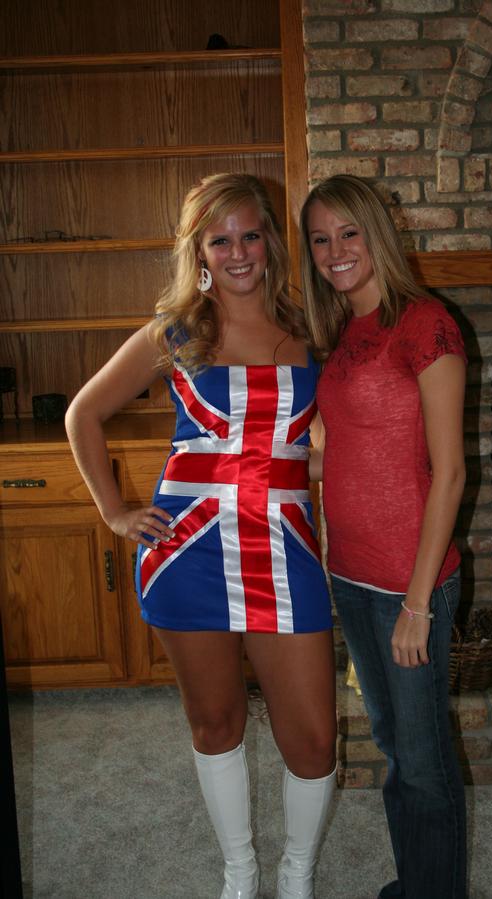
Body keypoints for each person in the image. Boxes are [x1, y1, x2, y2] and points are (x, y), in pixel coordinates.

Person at [66, 173, 337, 899]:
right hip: (188, 552)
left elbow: (311, 451)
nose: (238, 251)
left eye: (250, 235)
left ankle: (297, 876)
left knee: (314, 740)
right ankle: (240, 874)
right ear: (200, 252)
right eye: (220, 239)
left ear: (269, 242)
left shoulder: (310, 332)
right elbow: (83, 413)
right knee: (216, 723)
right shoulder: (175, 332)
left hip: (284, 550)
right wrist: (114, 512)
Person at [300, 174, 467, 899]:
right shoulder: (341, 332)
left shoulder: (425, 323)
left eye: (348, 233)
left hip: (409, 582)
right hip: (350, 574)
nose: (335, 250)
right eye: (320, 239)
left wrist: (419, 604)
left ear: (376, 233)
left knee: (425, 764)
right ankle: (417, 885)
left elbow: (451, 472)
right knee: (396, 747)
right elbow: (343, 449)